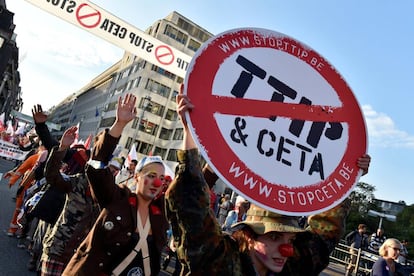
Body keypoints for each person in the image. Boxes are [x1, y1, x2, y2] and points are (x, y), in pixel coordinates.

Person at [164, 89, 372, 275]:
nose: (286, 249)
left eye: (289, 240)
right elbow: (191, 207)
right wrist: (189, 132)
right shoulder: (220, 260)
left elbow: (326, 233)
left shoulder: (294, 266)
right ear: (248, 236)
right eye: (274, 238)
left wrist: (346, 178)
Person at [63, 94, 169, 276]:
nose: (157, 182)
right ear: (136, 176)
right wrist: (119, 125)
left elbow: (194, 190)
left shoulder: (162, 214)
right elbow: (95, 166)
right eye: (151, 175)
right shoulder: (117, 198)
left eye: (161, 177)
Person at [40, 125, 100, 276]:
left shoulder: (111, 195)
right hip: (58, 250)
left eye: (114, 169)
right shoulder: (79, 181)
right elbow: (52, 176)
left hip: (80, 259)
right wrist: (62, 147)